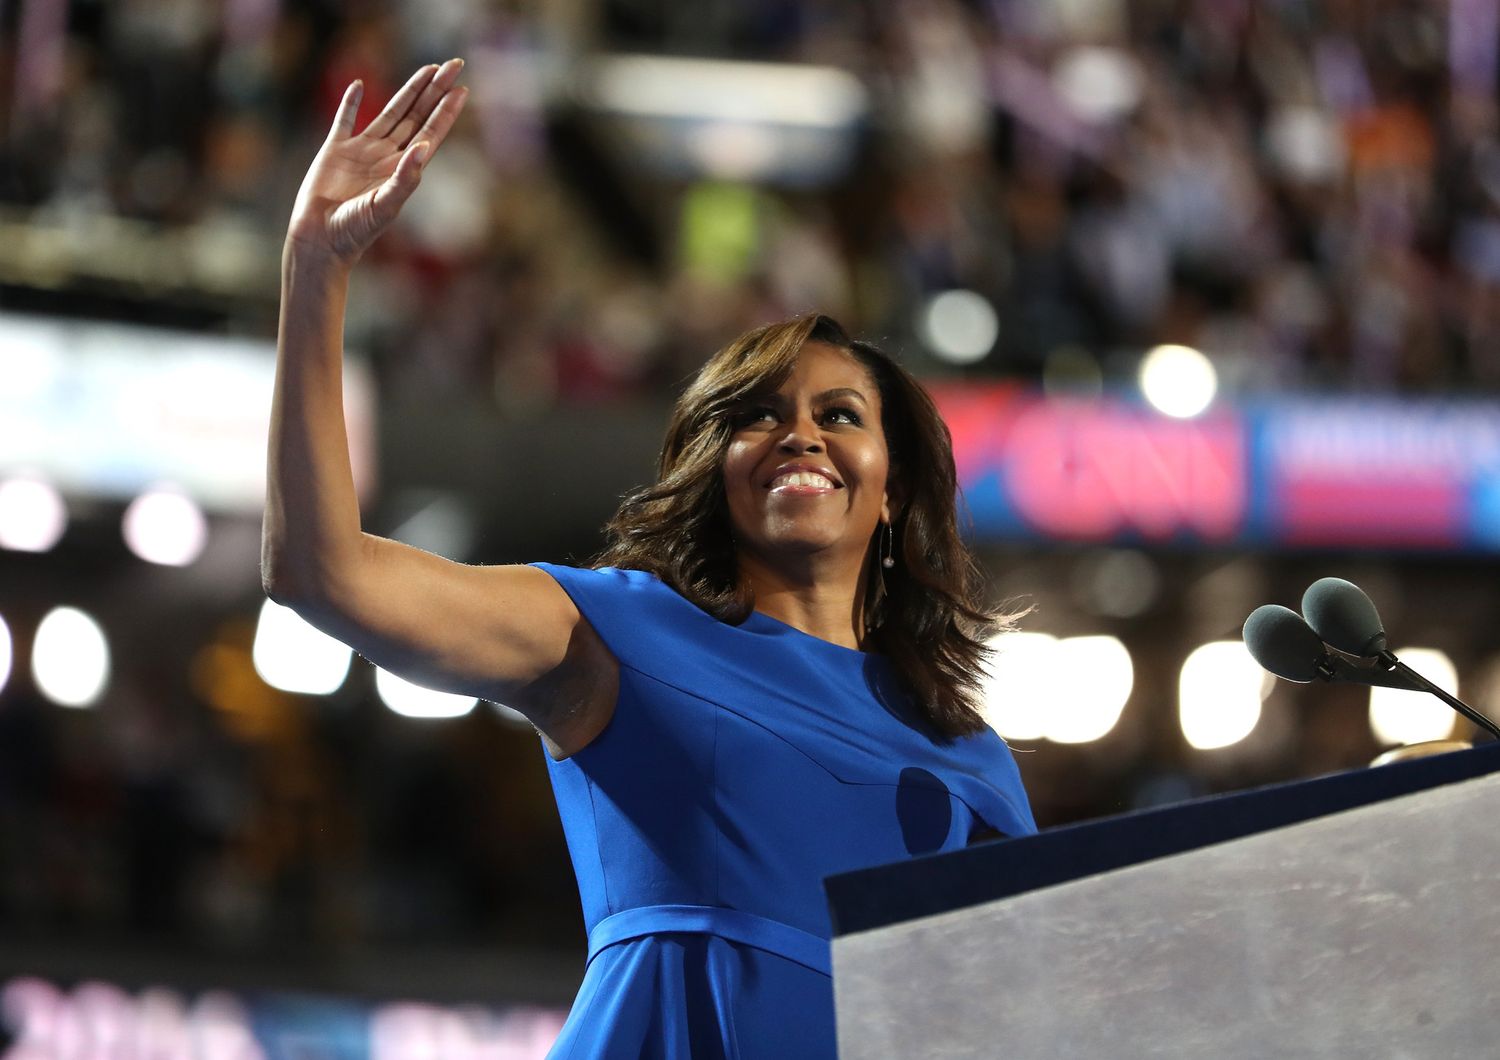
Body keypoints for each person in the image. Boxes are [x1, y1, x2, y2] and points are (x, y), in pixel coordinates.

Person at [263, 59, 1037, 1058]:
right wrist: (314, 267)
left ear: (891, 489)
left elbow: (1029, 1012)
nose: (798, 435)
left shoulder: (969, 757)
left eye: (838, 415)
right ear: (718, 474)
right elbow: (323, 573)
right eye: (758, 417)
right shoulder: (615, 632)